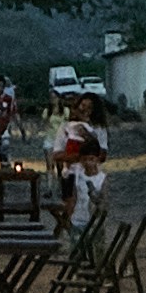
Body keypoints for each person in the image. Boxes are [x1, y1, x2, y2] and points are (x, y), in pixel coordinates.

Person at [56, 95, 111, 228]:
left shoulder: (98, 128)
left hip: (91, 174)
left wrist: (89, 138)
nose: (85, 110)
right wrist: (77, 157)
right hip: (69, 174)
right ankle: (74, 238)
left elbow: (102, 155)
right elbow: (57, 154)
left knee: (93, 208)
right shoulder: (66, 128)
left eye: (89, 107)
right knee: (69, 210)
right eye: (83, 105)